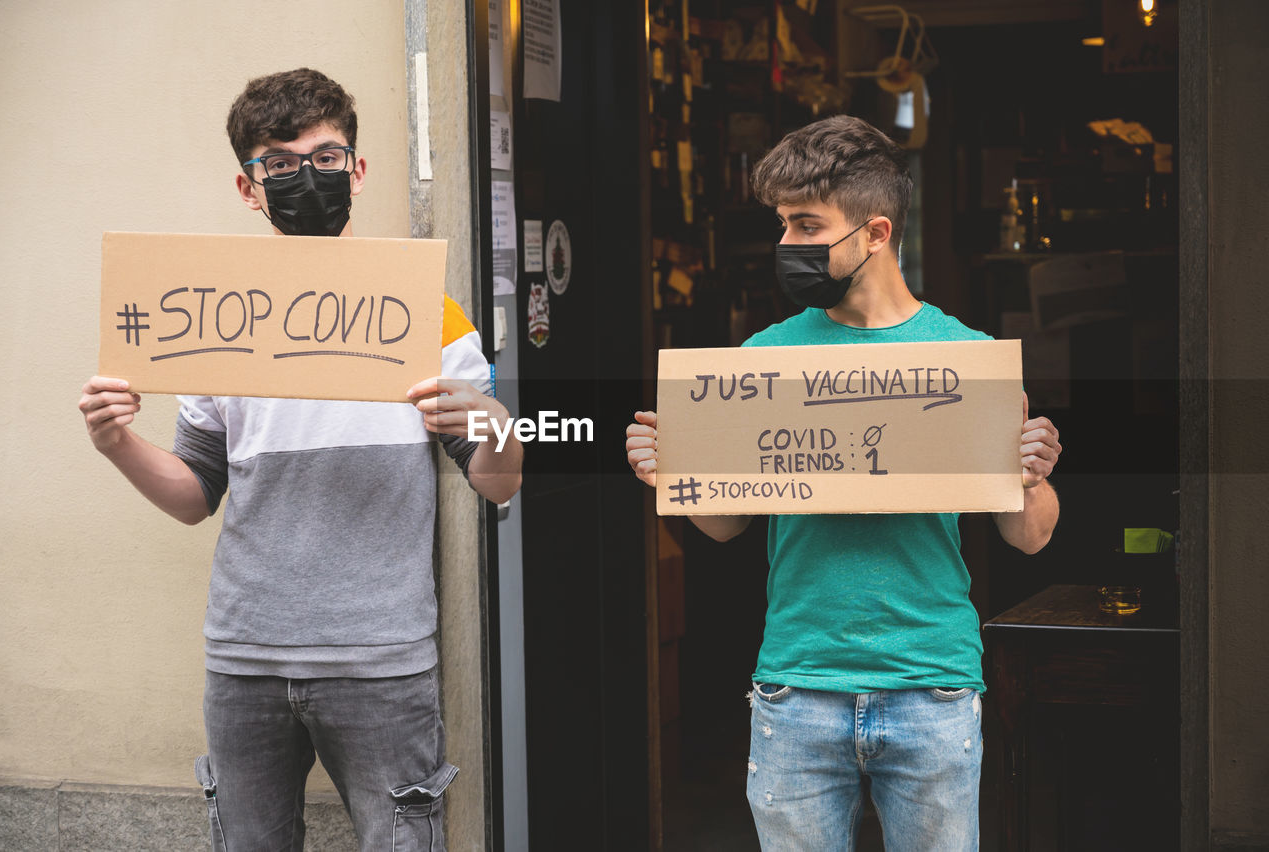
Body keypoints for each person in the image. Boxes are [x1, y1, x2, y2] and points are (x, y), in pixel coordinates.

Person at [78, 68, 522, 852]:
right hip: (244, 657)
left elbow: (496, 480)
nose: (304, 176)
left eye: (323, 156)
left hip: (383, 659)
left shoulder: (425, 310)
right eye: (278, 164)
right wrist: (117, 441)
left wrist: (495, 423)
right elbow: (194, 495)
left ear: (356, 169)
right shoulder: (212, 314)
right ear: (249, 189)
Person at [625, 115, 1061, 851]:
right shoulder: (764, 358)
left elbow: (1029, 535)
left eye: (805, 225)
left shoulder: (967, 358)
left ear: (876, 233)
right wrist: (674, 475)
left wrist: (1031, 473)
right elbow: (729, 525)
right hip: (799, 685)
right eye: (782, 226)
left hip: (933, 684)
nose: (787, 246)